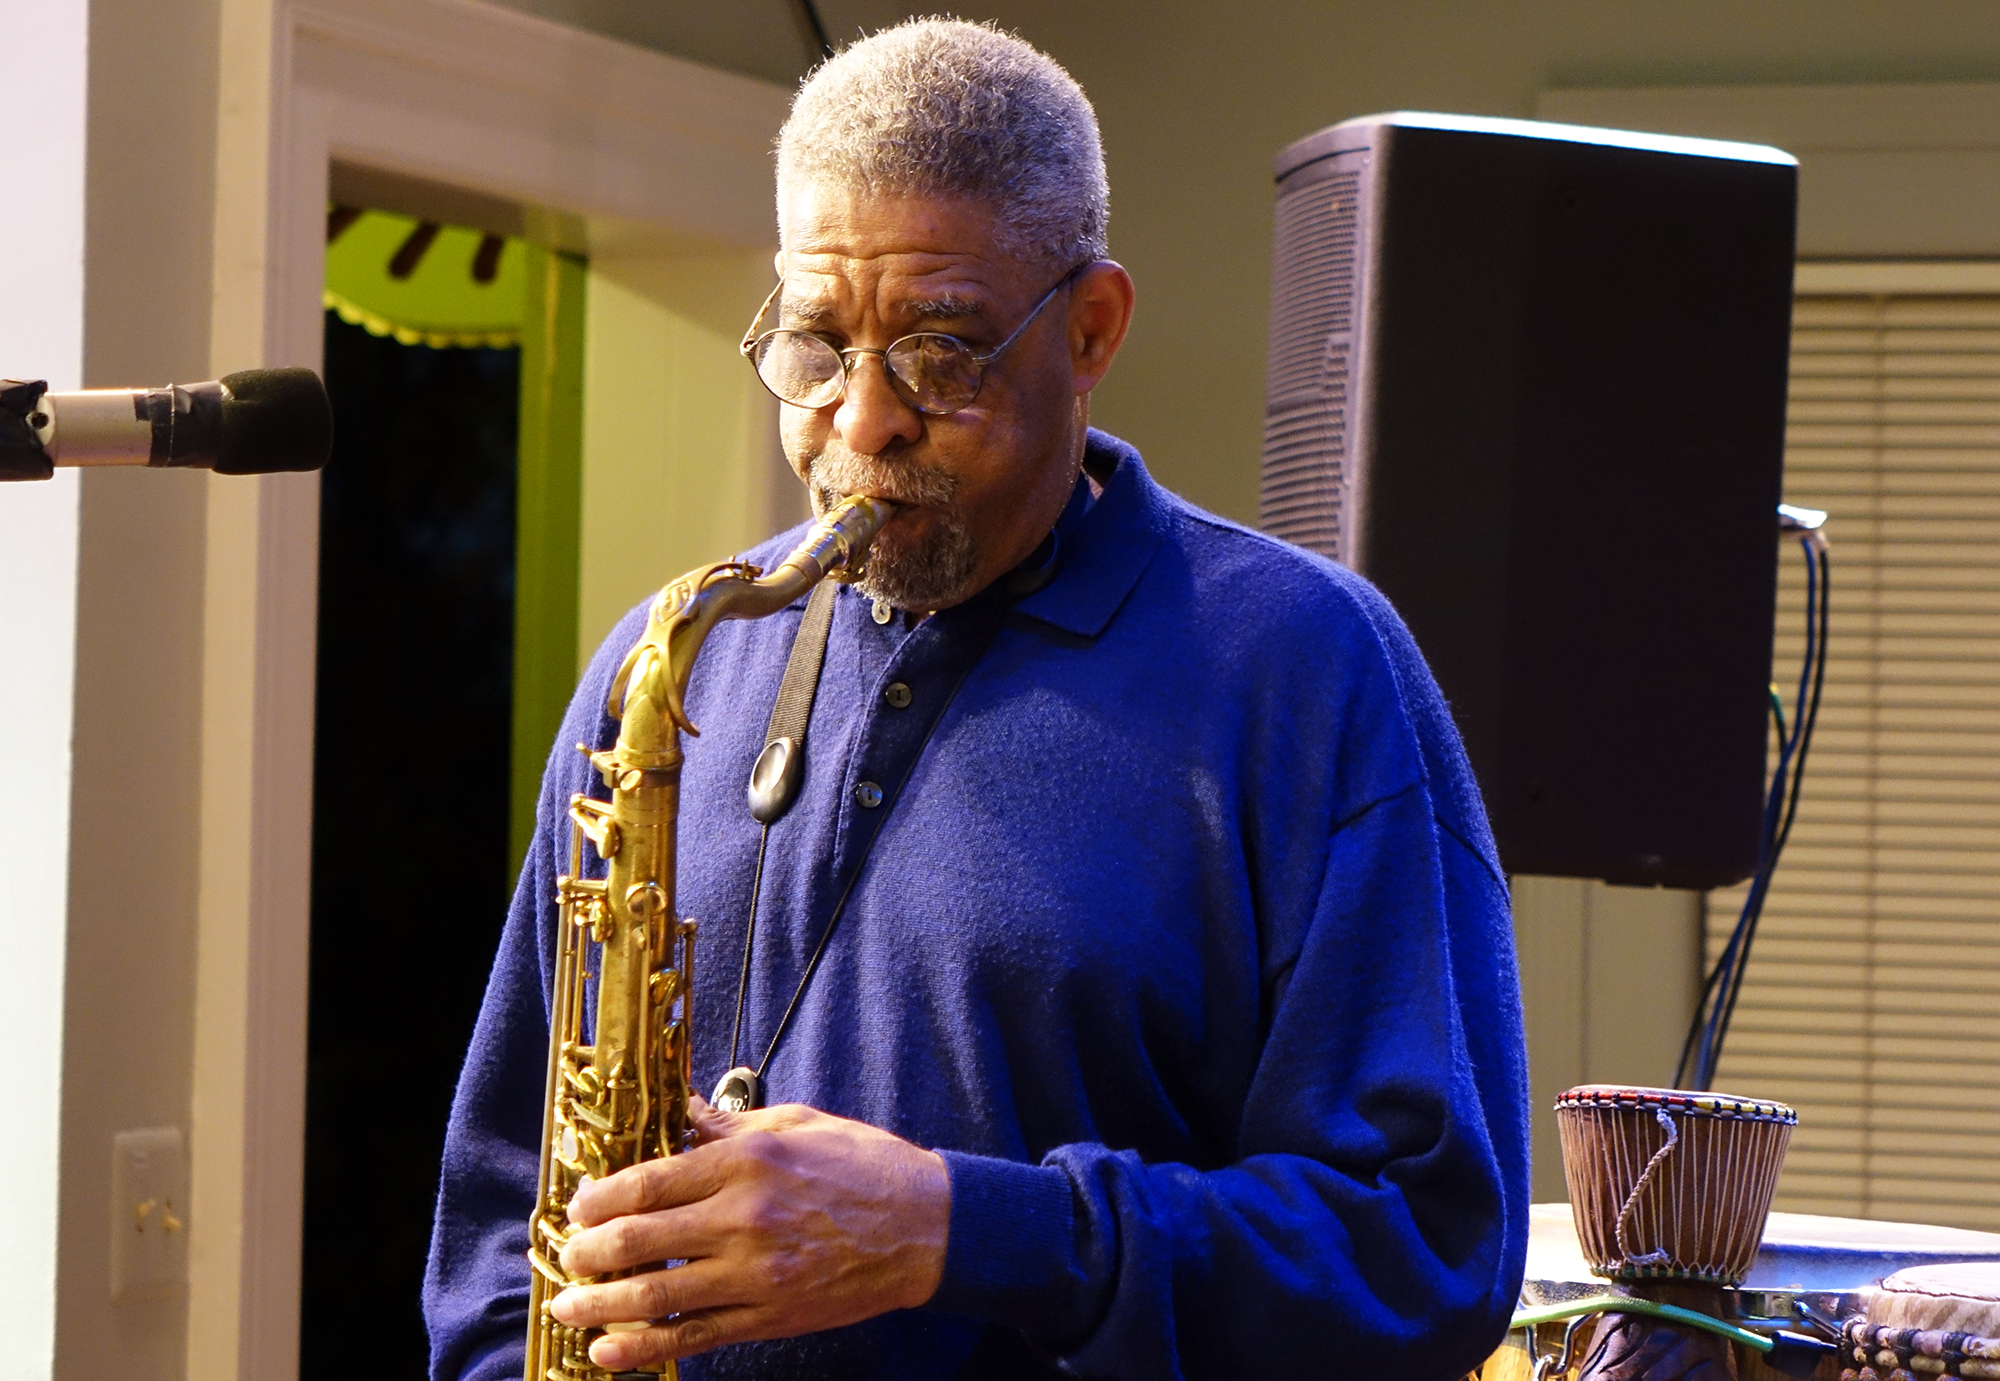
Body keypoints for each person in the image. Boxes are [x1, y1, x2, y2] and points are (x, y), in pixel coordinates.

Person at [424, 18, 1529, 1381]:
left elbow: (1427, 1251)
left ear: (1092, 326)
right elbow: (502, 1225)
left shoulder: (1310, 672)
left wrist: (961, 1229)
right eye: (816, 347)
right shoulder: (674, 657)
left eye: (941, 354)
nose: (862, 421)